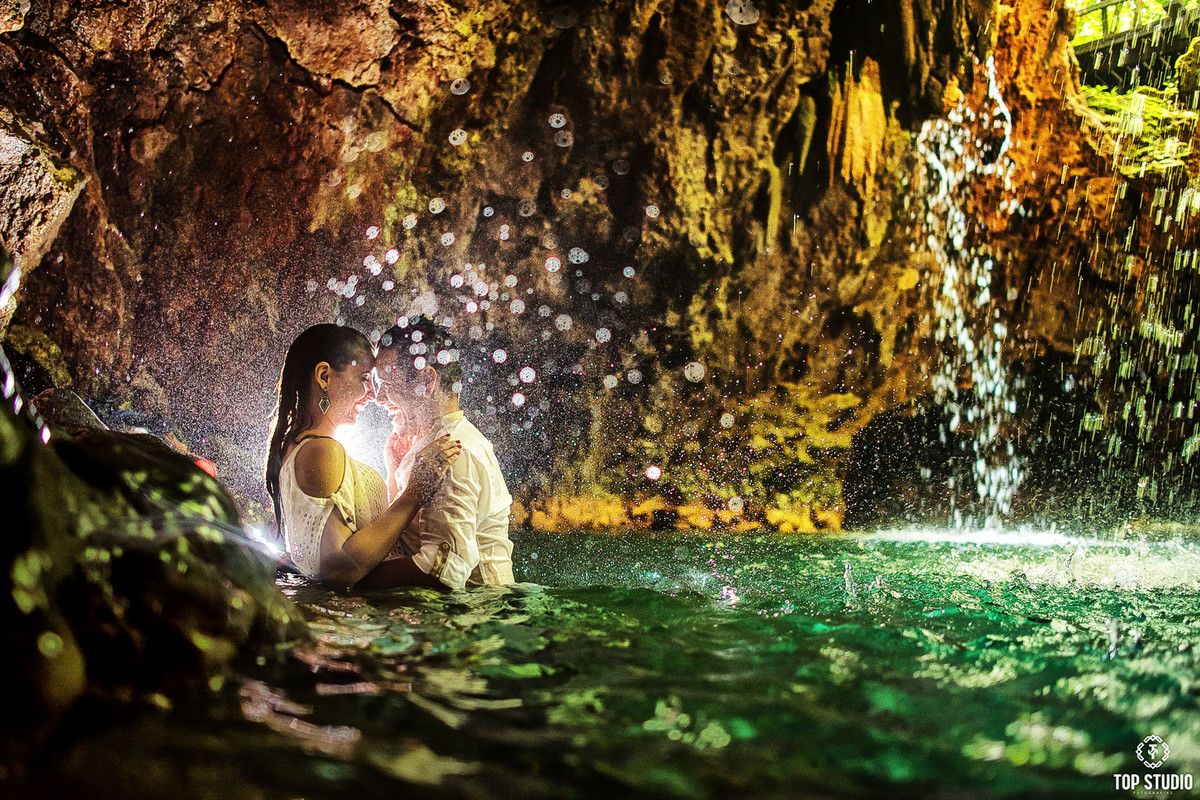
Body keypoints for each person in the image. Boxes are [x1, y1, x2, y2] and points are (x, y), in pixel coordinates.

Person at [264, 323, 462, 590]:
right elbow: (339, 568)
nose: (372, 394)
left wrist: (393, 471)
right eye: (363, 378)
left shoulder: (295, 445)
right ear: (324, 376)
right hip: (349, 621)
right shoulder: (323, 451)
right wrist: (414, 494)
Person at [364, 316, 514, 591]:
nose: (377, 396)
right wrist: (393, 471)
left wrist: (350, 577)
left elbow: (441, 573)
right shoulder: (428, 447)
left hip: (473, 620)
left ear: (427, 382)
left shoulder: (453, 453)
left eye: (386, 382)